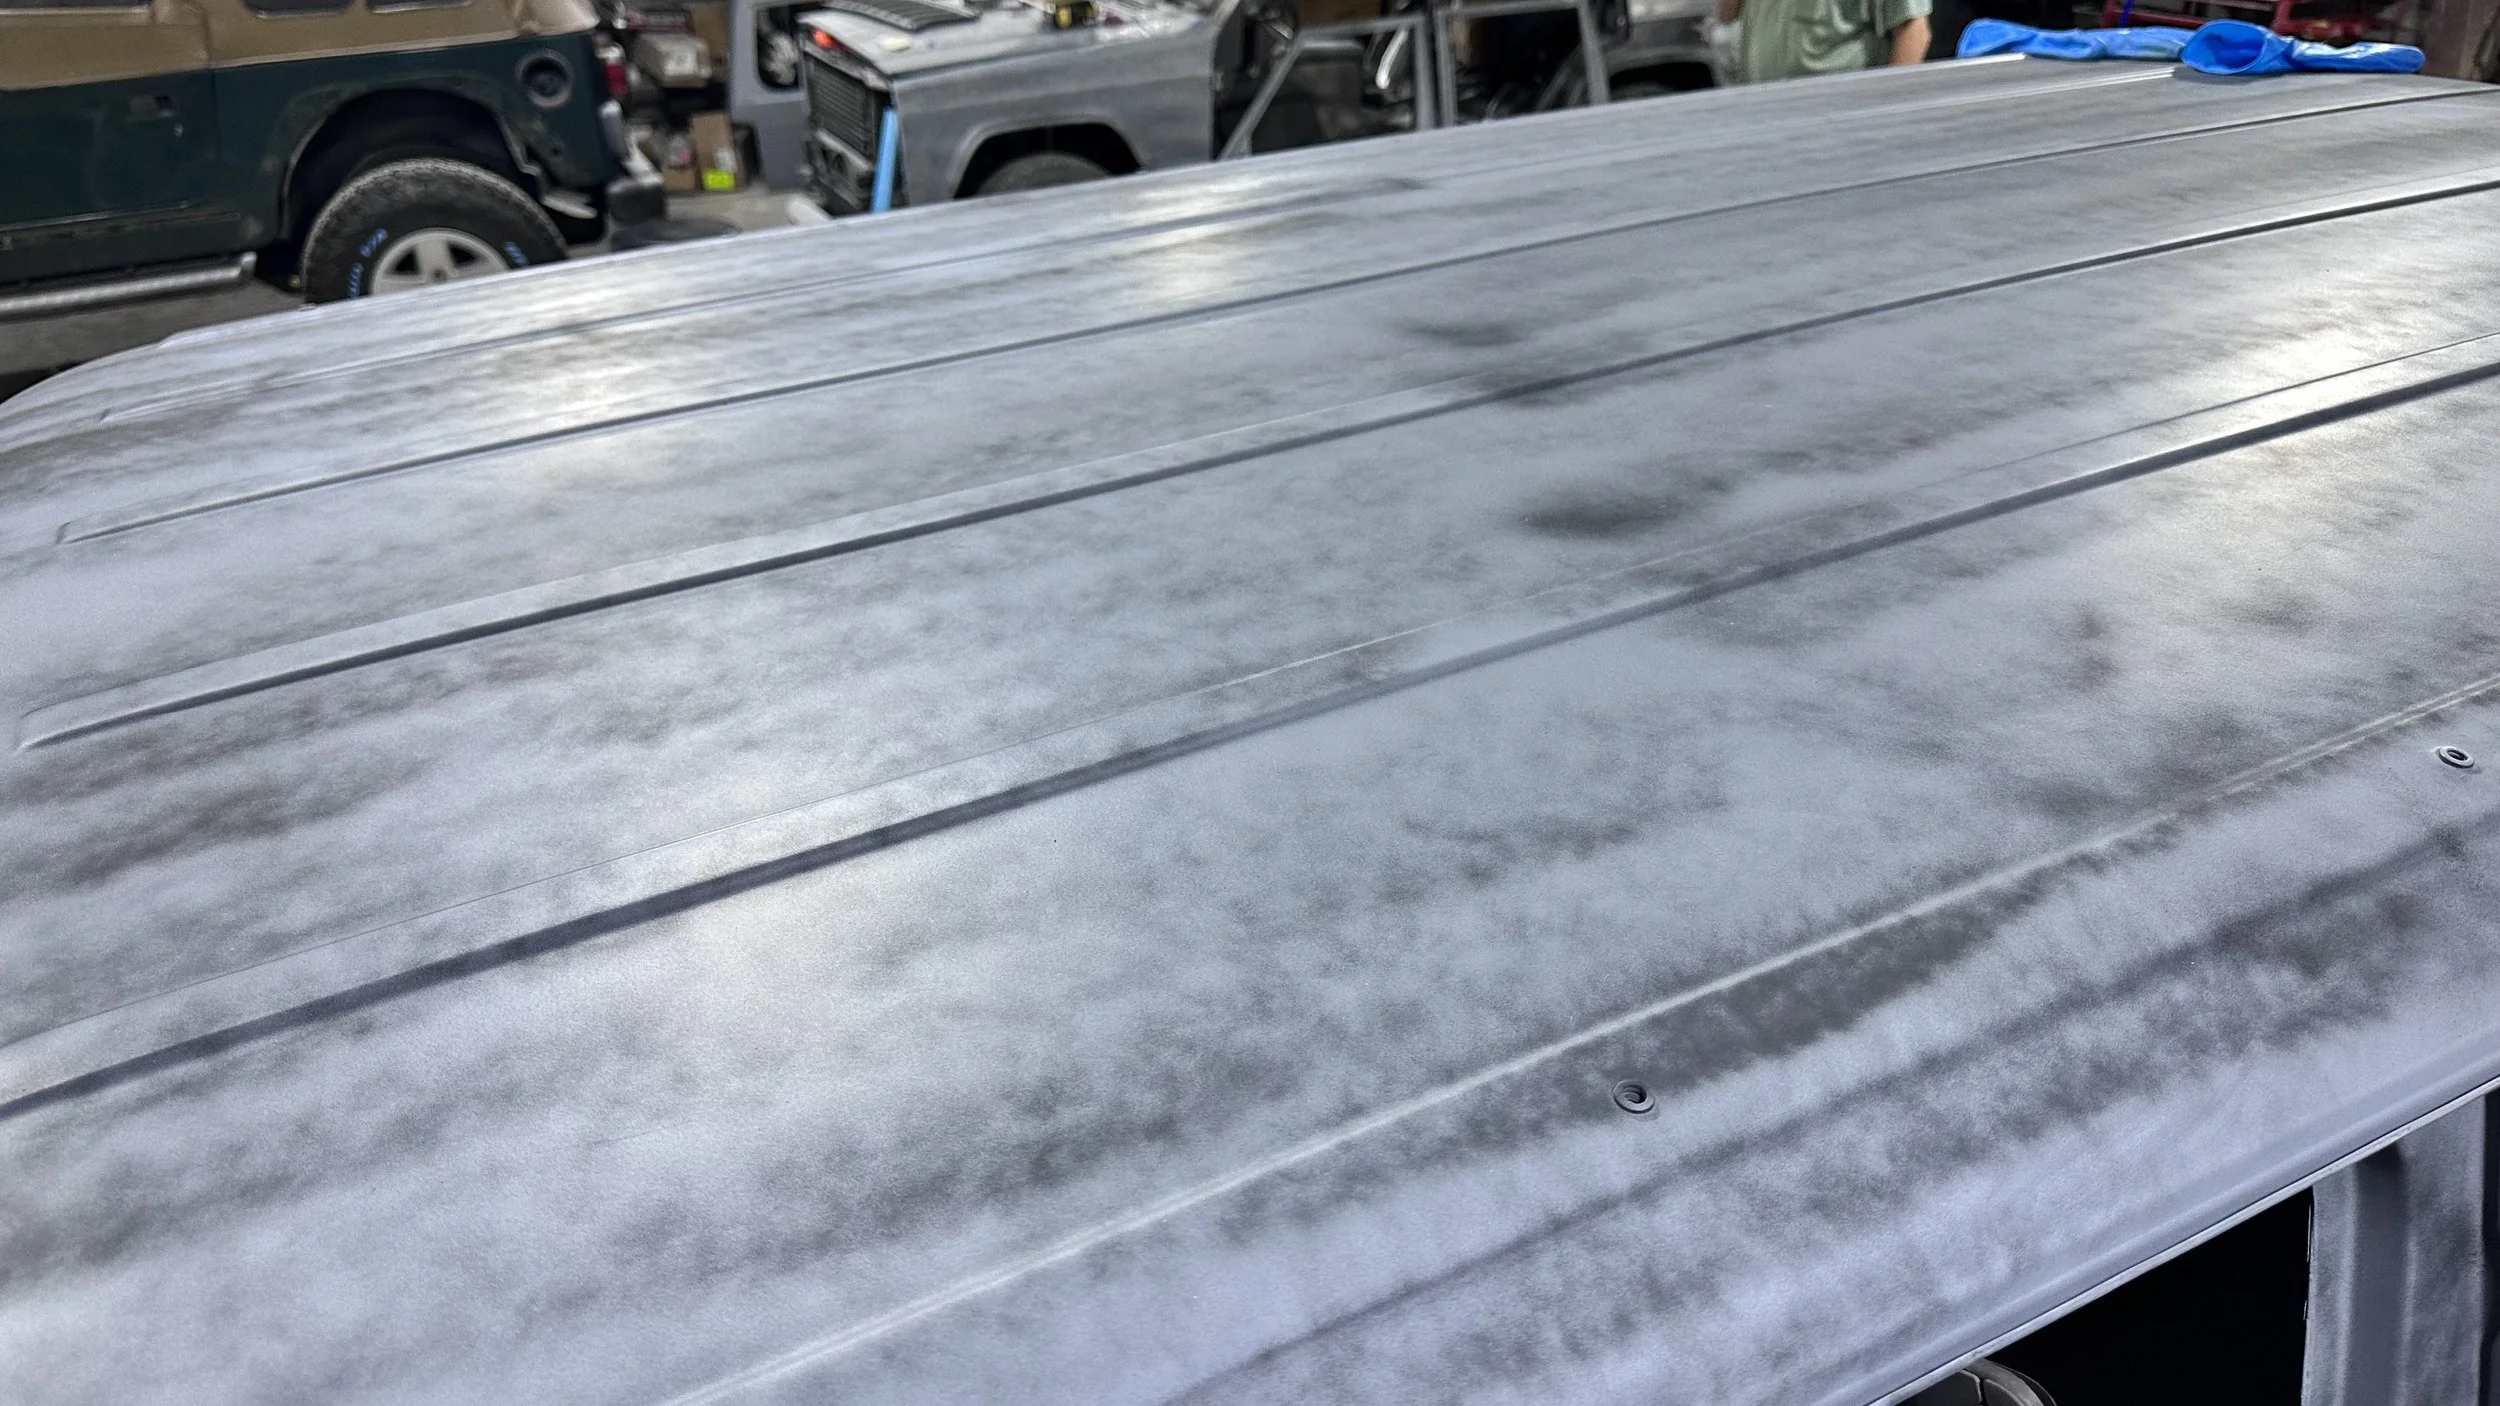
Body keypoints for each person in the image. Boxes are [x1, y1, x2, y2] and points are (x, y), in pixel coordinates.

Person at [1714, 0, 1931, 83]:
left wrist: (1885, 117)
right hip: (1763, 107)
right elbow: (1727, 13)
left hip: (1839, 117)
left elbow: (1913, 32)